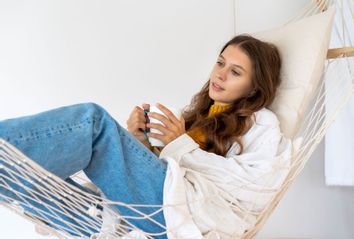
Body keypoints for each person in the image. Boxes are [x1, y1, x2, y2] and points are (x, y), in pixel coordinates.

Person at [0, 34, 291, 239]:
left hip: (181, 216)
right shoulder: (198, 115)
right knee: (38, 182)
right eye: (220, 62)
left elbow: (252, 189)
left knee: (93, 124)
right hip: (140, 215)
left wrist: (182, 146)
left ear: (254, 88)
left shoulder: (261, 123)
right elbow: (167, 170)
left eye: (235, 71)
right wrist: (139, 142)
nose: (220, 74)